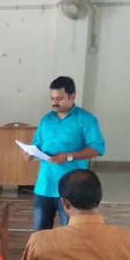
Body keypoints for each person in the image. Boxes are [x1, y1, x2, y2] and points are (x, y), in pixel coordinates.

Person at [24, 76, 105, 230]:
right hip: (45, 185)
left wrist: (68, 156)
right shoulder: (46, 120)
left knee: (71, 232)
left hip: (72, 188)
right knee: (40, 233)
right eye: (52, 98)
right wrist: (30, 154)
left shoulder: (86, 119)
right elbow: (37, 144)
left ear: (72, 97)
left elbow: (97, 148)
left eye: (59, 98)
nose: (54, 102)